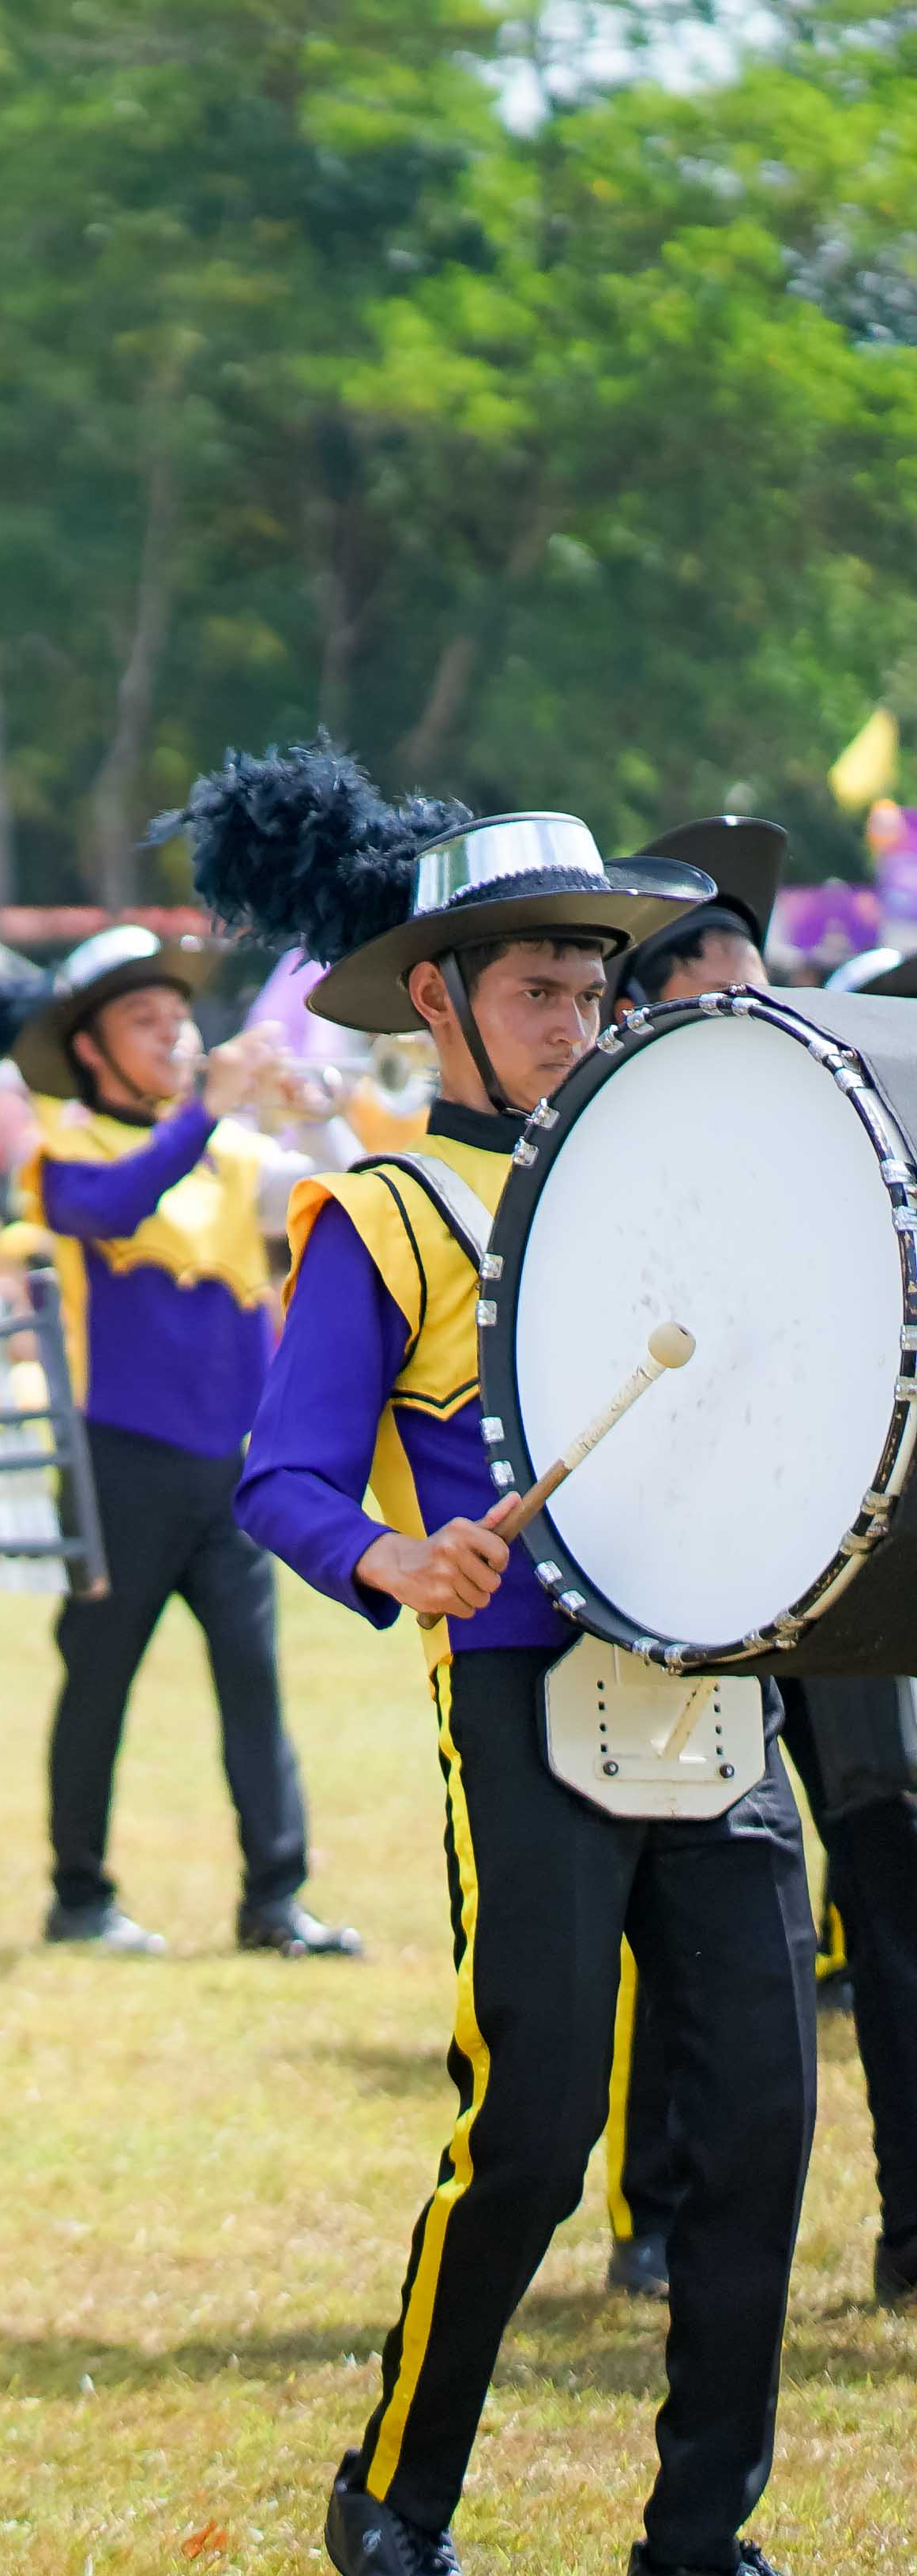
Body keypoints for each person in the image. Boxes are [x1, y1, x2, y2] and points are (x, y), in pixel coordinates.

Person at [183, 744, 878, 2576]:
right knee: (536, 2126)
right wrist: (394, 1557)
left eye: (595, 988)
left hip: (717, 1697)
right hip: (525, 1709)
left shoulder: (681, 1196)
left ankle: (701, 2538)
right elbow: (283, 1479)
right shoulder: (387, 1213)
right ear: (439, 997)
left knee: (760, 2134)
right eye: (541, 990)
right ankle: (396, 2495)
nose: (579, 1022)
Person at [592, 815, 917, 2313]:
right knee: (685, 1893)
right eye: (705, 982)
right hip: (696, 1568)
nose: (742, 1002)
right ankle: (653, 2215)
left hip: (845, 1558)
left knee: (892, 1877)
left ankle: (912, 2225)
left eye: (750, 976)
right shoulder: (609, 1161)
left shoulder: (843, 1134)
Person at [0, 933, 354, 1960]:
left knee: (253, 1682)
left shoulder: (231, 1150)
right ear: (89, 1049)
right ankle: (79, 1897)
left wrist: (320, 1108)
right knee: (99, 1684)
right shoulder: (70, 1151)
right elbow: (113, 1205)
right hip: (118, 1463)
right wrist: (207, 1109)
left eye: (178, 1017)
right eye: (144, 1020)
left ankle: (275, 1900)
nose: (174, 1035)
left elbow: (340, 1196)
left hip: (233, 1467)